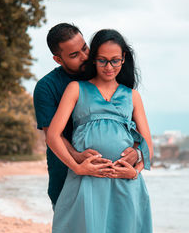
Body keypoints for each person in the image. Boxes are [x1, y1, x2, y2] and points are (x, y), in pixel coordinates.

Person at [46, 29, 157, 233]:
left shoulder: (132, 96)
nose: (109, 66)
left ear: (124, 59)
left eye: (115, 60)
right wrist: (77, 166)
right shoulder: (76, 89)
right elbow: (53, 134)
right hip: (86, 183)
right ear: (93, 59)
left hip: (125, 186)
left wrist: (136, 170)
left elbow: (146, 144)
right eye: (103, 60)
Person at [33, 23, 139, 206]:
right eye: (74, 55)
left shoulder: (105, 72)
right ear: (58, 59)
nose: (84, 57)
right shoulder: (46, 87)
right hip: (66, 174)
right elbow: (51, 134)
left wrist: (136, 153)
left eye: (85, 48)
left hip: (114, 180)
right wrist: (77, 157)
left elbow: (131, 125)